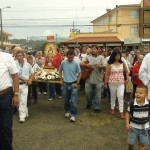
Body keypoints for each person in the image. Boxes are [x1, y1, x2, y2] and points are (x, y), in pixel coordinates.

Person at [0, 51, 19, 150]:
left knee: (6, 127)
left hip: (5, 96)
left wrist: (16, 94)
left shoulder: (7, 57)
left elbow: (15, 76)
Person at [80, 45, 106, 113]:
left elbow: (105, 67)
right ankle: (89, 102)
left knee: (97, 94)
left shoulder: (101, 58)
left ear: (97, 50)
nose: (92, 50)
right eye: (91, 49)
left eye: (94, 49)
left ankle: (97, 107)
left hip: (98, 79)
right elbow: (80, 63)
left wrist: (100, 66)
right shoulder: (87, 57)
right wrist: (86, 65)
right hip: (88, 79)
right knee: (88, 93)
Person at [104, 48, 129, 119]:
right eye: (116, 55)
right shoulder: (109, 64)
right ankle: (112, 109)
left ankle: (121, 112)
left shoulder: (122, 63)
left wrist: (127, 78)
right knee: (113, 96)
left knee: (120, 96)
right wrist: (105, 83)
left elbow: (127, 72)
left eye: (119, 55)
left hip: (121, 82)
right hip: (112, 82)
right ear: (113, 56)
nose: (118, 57)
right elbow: (107, 74)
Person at [59, 50, 81, 122]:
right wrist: (61, 80)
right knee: (66, 100)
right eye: (69, 57)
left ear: (74, 57)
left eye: (71, 57)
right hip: (65, 83)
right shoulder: (63, 63)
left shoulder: (76, 63)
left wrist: (77, 82)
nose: (70, 59)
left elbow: (80, 73)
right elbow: (60, 71)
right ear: (67, 56)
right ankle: (68, 111)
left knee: (73, 100)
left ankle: (73, 114)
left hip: (73, 84)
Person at [126, 85, 150, 150]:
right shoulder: (132, 103)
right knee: (130, 142)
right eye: (136, 92)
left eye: (140, 93)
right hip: (133, 127)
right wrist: (127, 124)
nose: (137, 94)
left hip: (144, 128)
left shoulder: (148, 104)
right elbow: (128, 113)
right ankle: (131, 147)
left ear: (146, 95)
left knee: (142, 144)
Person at [15, 50, 34, 123]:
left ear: (23, 56)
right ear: (16, 57)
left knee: (23, 100)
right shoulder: (14, 64)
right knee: (19, 100)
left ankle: (22, 116)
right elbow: (14, 75)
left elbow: (32, 73)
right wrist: (23, 79)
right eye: (18, 56)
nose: (19, 57)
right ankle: (25, 111)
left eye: (21, 55)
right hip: (16, 85)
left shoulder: (27, 65)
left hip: (25, 85)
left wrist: (30, 80)